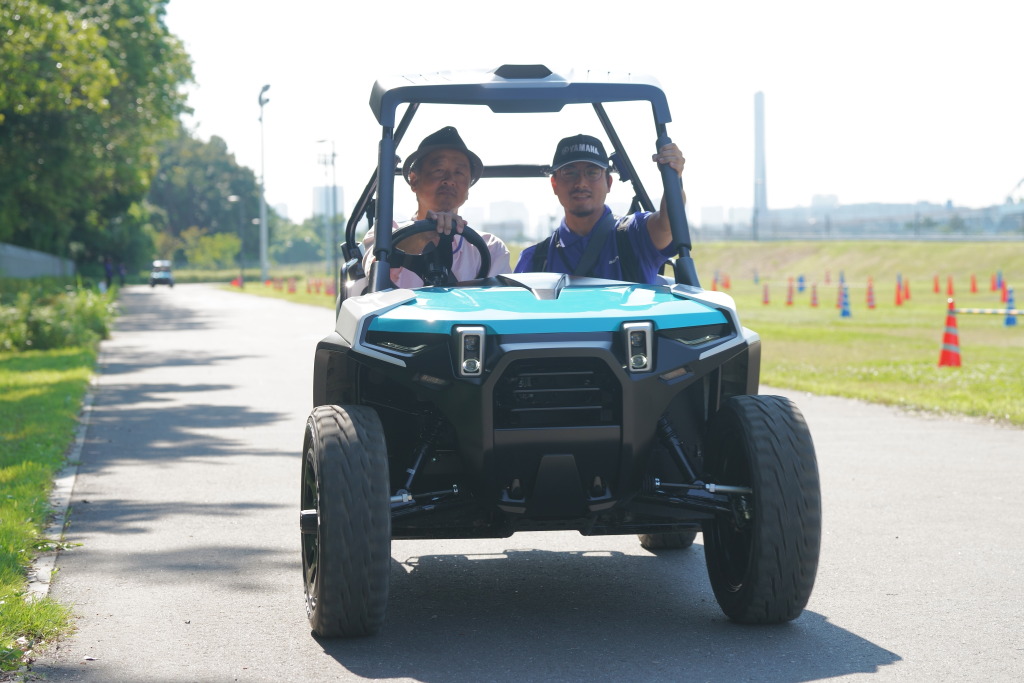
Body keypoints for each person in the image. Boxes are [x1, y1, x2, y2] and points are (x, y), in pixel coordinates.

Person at [513, 134, 686, 284]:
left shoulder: (635, 235)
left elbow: (669, 222)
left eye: (592, 172)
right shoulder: (535, 260)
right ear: (554, 184)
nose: (581, 183)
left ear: (609, 183)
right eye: (569, 172)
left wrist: (673, 174)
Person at [358, 127, 511, 290]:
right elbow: (375, 273)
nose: (449, 180)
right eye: (439, 170)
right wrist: (423, 236)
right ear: (414, 180)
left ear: (468, 187)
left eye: (459, 173)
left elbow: (498, 300)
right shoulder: (384, 234)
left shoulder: (491, 248)